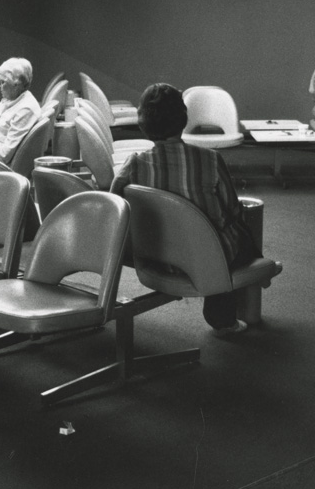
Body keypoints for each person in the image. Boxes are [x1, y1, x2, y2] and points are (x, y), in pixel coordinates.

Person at [109, 83, 261, 336]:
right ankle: (223, 317)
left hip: (155, 256)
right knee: (238, 233)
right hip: (205, 260)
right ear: (183, 118)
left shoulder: (134, 164)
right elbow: (232, 210)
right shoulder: (210, 160)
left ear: (144, 124)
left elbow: (113, 206)